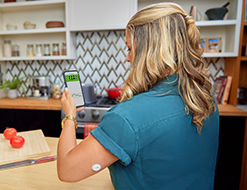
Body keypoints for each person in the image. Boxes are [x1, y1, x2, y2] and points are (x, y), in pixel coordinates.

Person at [58, 2, 219, 190]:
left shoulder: (127, 117)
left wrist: (69, 115)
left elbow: (67, 170)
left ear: (147, 51)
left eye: (129, 48)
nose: (128, 58)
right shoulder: (206, 99)